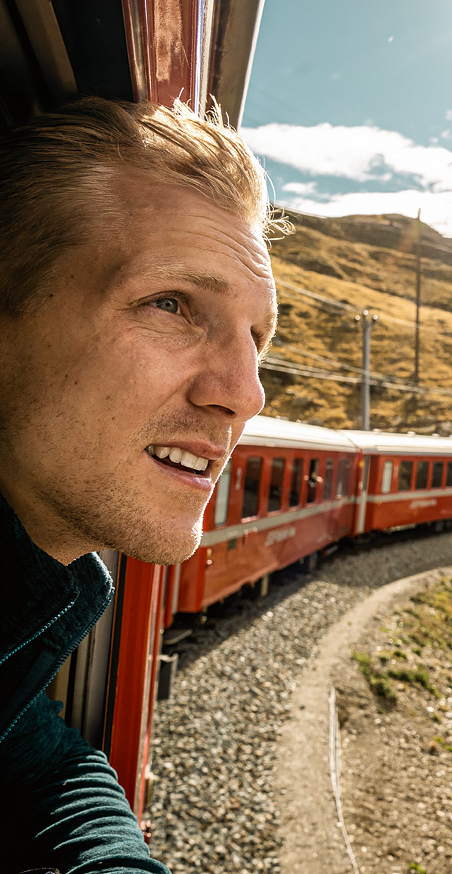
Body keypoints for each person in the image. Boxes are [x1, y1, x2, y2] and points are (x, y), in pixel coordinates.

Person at [0, 98, 279, 872]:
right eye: (172, 304)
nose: (247, 393)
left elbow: (32, 745)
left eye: (257, 340)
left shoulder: (28, 601)